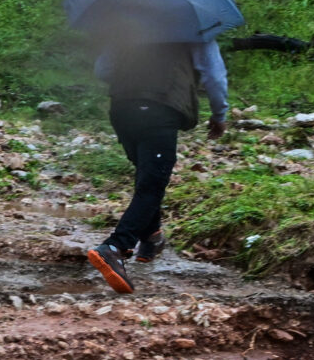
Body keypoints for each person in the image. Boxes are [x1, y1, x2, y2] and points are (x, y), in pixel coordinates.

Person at [83, 37, 228, 294]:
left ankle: (151, 238)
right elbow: (213, 75)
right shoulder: (195, 29)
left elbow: (103, 70)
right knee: (152, 183)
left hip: (123, 109)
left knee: (147, 177)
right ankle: (116, 247)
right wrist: (219, 115)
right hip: (161, 109)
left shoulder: (130, 22)